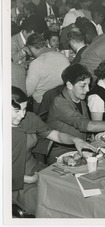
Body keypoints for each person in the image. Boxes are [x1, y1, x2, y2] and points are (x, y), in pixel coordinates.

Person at [11, 86, 95, 215]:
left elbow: (56, 135)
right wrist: (28, 179)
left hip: (38, 170)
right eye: (17, 110)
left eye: (24, 109)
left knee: (79, 190)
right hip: (15, 183)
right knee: (60, 205)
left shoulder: (28, 119)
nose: (22, 115)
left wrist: (75, 140)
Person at [46, 64, 105, 163]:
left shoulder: (79, 98)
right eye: (83, 85)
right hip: (63, 152)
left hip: (81, 146)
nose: (87, 90)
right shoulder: (60, 103)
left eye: (88, 85)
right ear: (69, 85)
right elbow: (87, 125)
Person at [26, 33, 70, 112]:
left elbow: (28, 92)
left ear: (31, 48)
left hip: (42, 107)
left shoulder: (36, 64)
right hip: (62, 103)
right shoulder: (63, 57)